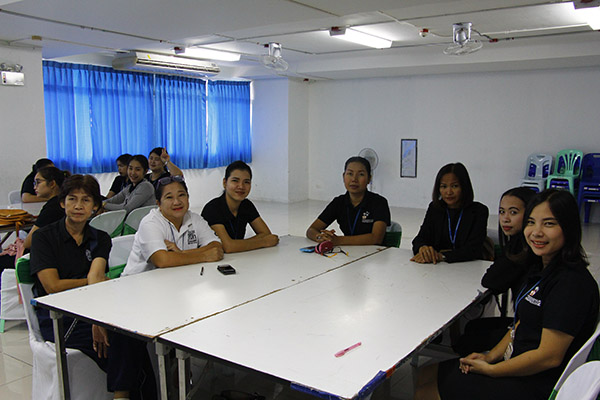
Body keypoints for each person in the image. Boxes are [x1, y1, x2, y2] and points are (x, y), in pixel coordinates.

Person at [413, 189, 600, 400]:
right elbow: (521, 322)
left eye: (549, 224)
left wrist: (492, 370)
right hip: (519, 362)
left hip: (537, 382)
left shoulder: (571, 284)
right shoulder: (543, 268)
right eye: (531, 222)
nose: (536, 232)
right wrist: (491, 356)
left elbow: (549, 357)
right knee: (427, 372)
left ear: (569, 227)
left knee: (426, 391)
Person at [29, 175, 157, 399]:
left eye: (86, 200)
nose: (78, 206)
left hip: (92, 308)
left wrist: (98, 319)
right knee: (124, 339)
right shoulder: (44, 237)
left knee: (133, 331)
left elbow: (96, 276)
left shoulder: (100, 238)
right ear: (62, 203)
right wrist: (90, 286)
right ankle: (125, 395)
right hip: (57, 315)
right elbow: (53, 286)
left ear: (96, 207)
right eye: (72, 199)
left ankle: (125, 395)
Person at [455, 187, 536, 356]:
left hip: (528, 331)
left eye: (513, 212)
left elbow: (491, 280)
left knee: (466, 341)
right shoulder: (518, 244)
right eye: (501, 212)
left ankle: (464, 367)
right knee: (472, 327)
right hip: (524, 323)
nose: (505, 218)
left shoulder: (523, 249)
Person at [122, 176, 224, 276]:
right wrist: (204, 256)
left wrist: (181, 253)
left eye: (181, 195)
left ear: (188, 197)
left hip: (175, 276)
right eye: (169, 197)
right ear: (159, 204)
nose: (177, 202)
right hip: (138, 280)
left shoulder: (194, 218)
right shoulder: (150, 222)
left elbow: (216, 246)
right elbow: (161, 260)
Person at [411, 162, 489, 264]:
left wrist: (442, 256)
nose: (448, 192)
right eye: (444, 186)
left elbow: (473, 250)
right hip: (437, 268)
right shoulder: (435, 208)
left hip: (468, 268)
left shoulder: (479, 211)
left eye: (455, 186)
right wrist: (423, 248)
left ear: (464, 187)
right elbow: (420, 238)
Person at [306, 156, 391, 245]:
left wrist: (338, 240)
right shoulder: (338, 202)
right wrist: (320, 237)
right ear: (343, 176)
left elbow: (376, 238)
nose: (354, 179)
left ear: (369, 178)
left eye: (361, 174)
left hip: (375, 252)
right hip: (348, 251)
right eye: (350, 174)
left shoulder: (379, 202)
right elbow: (311, 230)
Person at [201, 161, 279, 253]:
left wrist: (237, 245)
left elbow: (266, 234)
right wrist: (263, 242)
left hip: (239, 257)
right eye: (235, 181)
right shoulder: (213, 208)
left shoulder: (246, 205)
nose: (241, 186)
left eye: (246, 182)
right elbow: (228, 247)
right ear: (225, 183)